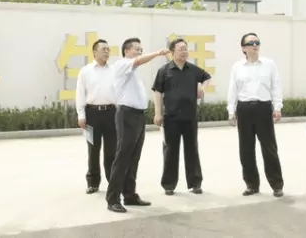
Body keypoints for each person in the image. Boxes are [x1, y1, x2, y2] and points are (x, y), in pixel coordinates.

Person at [105, 37, 170, 214]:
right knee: (123, 157)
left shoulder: (132, 72)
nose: (140, 52)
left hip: (138, 116)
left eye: (141, 49)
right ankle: (112, 199)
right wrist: (158, 53)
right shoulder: (122, 65)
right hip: (126, 115)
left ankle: (129, 194)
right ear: (126, 50)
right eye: (137, 49)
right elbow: (139, 61)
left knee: (134, 157)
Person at [227, 32, 284, 198]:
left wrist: (277, 107)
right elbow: (233, 89)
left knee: (269, 148)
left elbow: (276, 86)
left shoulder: (269, 65)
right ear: (243, 48)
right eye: (251, 43)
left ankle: (277, 185)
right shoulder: (237, 67)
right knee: (246, 149)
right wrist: (231, 110)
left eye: (257, 42)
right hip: (244, 108)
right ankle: (251, 184)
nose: (254, 45)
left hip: (263, 108)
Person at [152, 37, 212, 196]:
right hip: (171, 117)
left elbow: (207, 77)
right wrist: (158, 113)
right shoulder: (164, 70)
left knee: (192, 150)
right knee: (171, 151)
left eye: (186, 49)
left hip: (190, 117)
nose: (184, 52)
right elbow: (157, 92)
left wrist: (202, 89)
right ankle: (169, 185)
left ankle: (195, 183)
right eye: (181, 49)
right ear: (172, 52)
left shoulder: (193, 69)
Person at [75, 39, 116, 195]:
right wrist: (81, 114)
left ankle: (113, 181)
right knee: (93, 149)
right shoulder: (85, 71)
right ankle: (93, 182)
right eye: (103, 49)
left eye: (108, 49)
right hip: (92, 114)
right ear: (94, 52)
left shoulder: (114, 70)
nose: (106, 52)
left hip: (111, 113)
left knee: (111, 149)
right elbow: (80, 93)